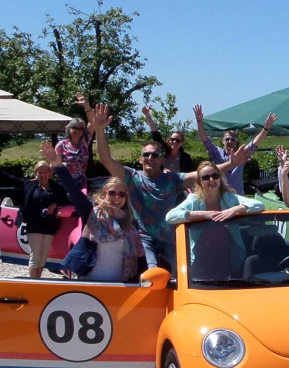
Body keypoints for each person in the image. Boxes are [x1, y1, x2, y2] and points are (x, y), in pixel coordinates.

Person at [42, 141, 144, 368]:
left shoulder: (129, 223)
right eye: (112, 193)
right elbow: (74, 192)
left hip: (121, 285)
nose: (117, 197)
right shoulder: (94, 214)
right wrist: (58, 166)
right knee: (102, 337)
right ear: (104, 195)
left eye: (121, 194)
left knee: (117, 336)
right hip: (93, 285)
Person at [88, 103, 245, 272]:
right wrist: (99, 130)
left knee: (182, 275)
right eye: (146, 155)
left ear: (163, 159)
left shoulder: (172, 179)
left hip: (171, 239)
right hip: (145, 238)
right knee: (152, 273)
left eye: (155, 155)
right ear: (140, 159)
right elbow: (106, 160)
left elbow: (203, 174)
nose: (150, 157)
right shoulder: (132, 177)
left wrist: (231, 163)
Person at [164, 161, 265, 279]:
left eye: (215, 176)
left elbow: (259, 205)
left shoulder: (229, 198)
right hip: (199, 261)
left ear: (220, 178)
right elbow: (170, 216)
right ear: (200, 182)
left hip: (225, 259)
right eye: (206, 177)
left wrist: (234, 210)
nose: (211, 180)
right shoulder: (193, 200)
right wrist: (204, 215)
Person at [0, 152, 69, 278]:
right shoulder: (28, 185)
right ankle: (33, 282)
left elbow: (66, 199)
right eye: (39, 172)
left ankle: (38, 280)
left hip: (49, 225)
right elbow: (9, 178)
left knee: (44, 255)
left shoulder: (57, 187)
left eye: (45, 171)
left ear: (50, 173)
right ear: (36, 173)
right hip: (34, 225)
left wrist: (55, 204)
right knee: (35, 255)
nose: (42, 174)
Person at [194, 104, 276, 194]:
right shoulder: (216, 153)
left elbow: (255, 143)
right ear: (222, 141)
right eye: (227, 139)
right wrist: (199, 122)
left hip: (238, 196)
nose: (230, 141)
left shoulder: (241, 154)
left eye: (232, 139)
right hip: (220, 195)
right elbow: (205, 140)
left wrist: (266, 128)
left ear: (236, 142)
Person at [141, 104, 196, 173]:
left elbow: (189, 174)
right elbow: (155, 134)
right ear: (169, 140)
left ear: (181, 143)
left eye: (178, 140)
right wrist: (147, 115)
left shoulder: (185, 158)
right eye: (172, 139)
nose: (174, 142)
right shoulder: (162, 152)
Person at [57, 93, 94, 189]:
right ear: (69, 129)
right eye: (75, 128)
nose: (77, 131)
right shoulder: (61, 145)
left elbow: (93, 122)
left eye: (81, 128)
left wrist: (87, 106)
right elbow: (53, 164)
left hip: (82, 183)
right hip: (64, 184)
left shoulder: (84, 142)